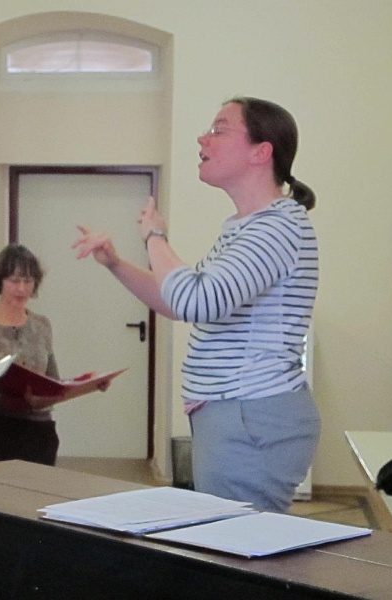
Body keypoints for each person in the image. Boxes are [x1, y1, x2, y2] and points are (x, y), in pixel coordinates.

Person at [73, 97, 320, 513]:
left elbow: (196, 300)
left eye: (219, 130)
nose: (202, 139)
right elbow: (179, 300)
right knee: (235, 538)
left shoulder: (276, 227)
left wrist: (155, 237)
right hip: (240, 412)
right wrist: (116, 263)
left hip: (250, 412)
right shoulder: (250, 227)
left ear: (261, 152)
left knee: (238, 543)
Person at [0, 244, 63, 466]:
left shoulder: (42, 325)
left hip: (40, 433)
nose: (21, 289)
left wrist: (85, 386)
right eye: (14, 281)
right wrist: (17, 400)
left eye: (28, 281)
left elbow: (54, 380)